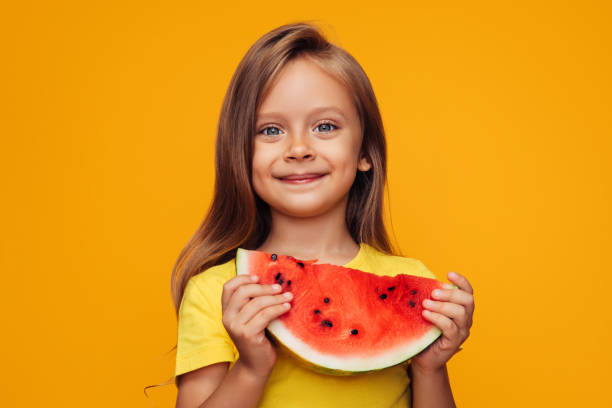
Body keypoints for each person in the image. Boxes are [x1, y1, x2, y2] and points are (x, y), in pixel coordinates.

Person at [171, 21, 475, 408]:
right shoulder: (218, 293)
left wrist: (431, 367)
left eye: (325, 126)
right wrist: (250, 368)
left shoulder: (415, 285)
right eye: (269, 131)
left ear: (365, 152)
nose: (298, 148)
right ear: (240, 155)